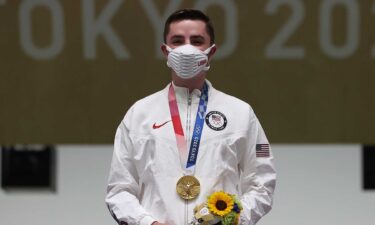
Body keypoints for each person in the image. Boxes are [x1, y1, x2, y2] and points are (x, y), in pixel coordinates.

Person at [105, 9, 276, 225]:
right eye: (177, 40)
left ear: (211, 51)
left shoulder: (241, 113)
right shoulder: (138, 114)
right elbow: (118, 190)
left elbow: (263, 181)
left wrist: (234, 221)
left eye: (196, 41)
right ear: (166, 51)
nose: (187, 48)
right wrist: (147, 223)